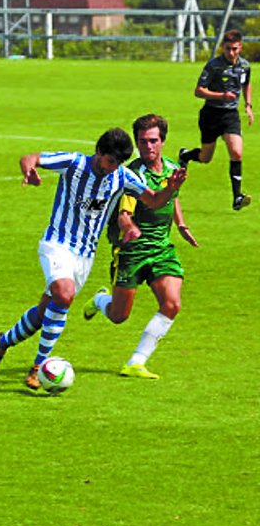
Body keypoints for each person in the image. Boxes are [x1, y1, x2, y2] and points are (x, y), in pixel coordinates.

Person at [0, 128, 187, 390]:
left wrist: (171, 188)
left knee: (46, 312)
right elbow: (31, 157)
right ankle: (39, 366)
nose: (114, 168)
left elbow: (155, 200)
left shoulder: (122, 176)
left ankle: (3, 342)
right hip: (57, 244)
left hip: (84, 257)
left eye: (119, 163)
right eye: (111, 161)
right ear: (99, 152)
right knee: (64, 295)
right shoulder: (73, 163)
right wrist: (29, 171)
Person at [83, 114, 198, 379]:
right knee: (118, 315)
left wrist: (181, 224)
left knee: (172, 304)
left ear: (163, 141)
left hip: (161, 248)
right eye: (143, 141)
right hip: (132, 250)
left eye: (153, 141)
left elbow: (173, 197)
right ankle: (101, 300)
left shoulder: (171, 168)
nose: (148, 147)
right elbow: (124, 214)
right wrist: (129, 227)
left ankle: (136, 361)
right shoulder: (131, 175)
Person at [179, 29, 254, 211]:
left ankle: (237, 197)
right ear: (223, 47)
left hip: (230, 116)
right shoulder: (214, 66)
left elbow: (246, 83)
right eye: (228, 49)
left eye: (235, 49)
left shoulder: (244, 66)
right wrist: (221, 95)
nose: (231, 53)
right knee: (206, 158)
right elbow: (198, 90)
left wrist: (248, 105)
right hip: (211, 115)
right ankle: (186, 155)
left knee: (236, 153)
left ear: (240, 48)